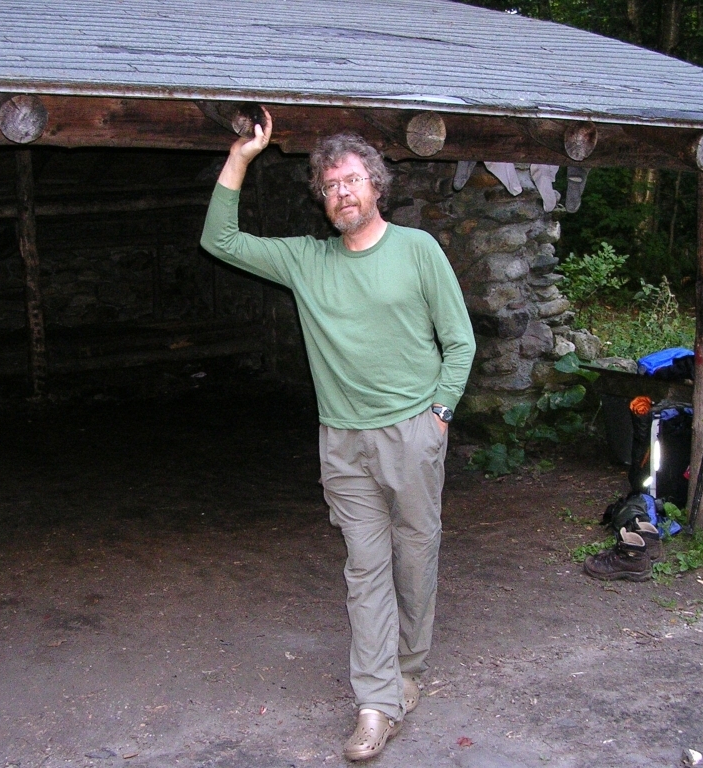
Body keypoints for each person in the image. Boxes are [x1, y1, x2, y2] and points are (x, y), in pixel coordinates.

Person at [200, 108, 476, 762]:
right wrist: (241, 157)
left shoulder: (418, 251)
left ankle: (410, 667)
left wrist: (438, 417)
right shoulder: (306, 261)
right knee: (365, 570)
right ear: (322, 201)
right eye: (329, 186)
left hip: (413, 435)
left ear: (376, 185)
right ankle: (376, 702)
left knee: (416, 557)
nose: (341, 192)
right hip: (344, 444)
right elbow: (221, 241)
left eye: (351, 179)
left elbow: (459, 341)